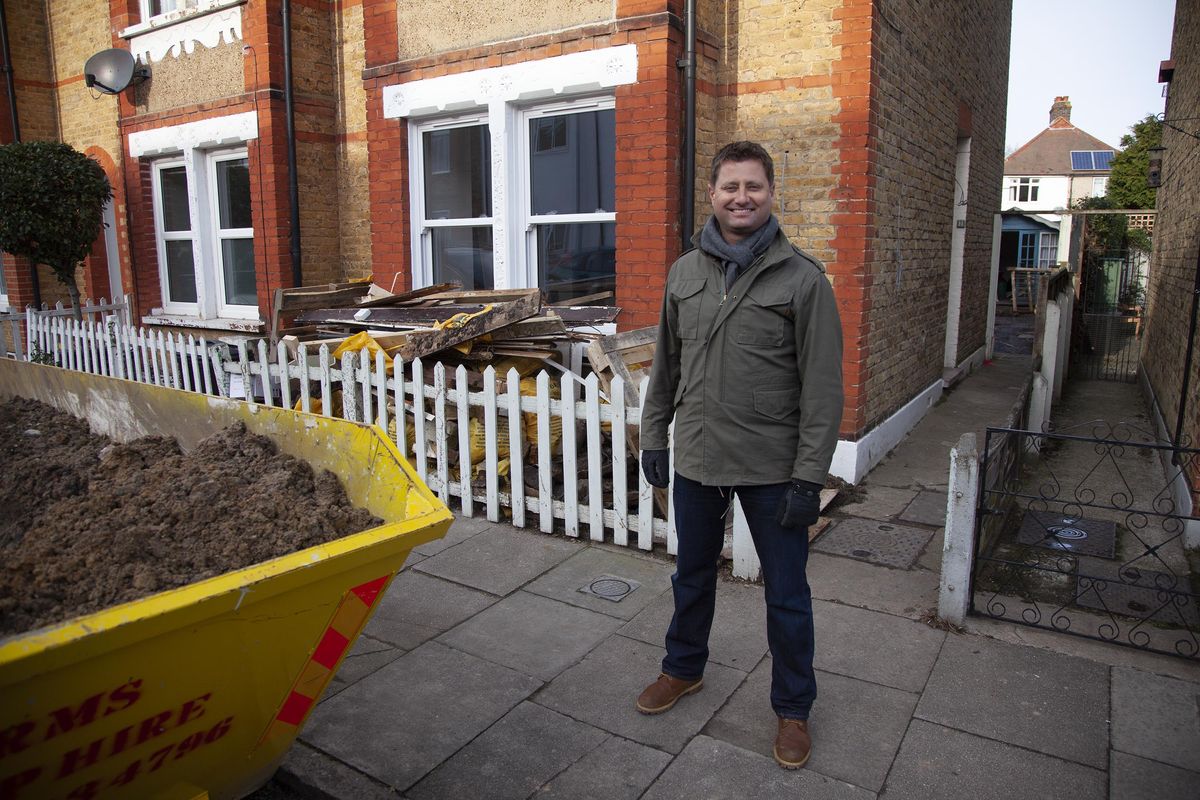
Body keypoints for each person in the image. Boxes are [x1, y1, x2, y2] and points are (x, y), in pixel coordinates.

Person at [636, 140, 843, 770]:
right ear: (714, 195)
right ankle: (683, 668)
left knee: (786, 594)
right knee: (691, 577)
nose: (741, 198)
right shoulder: (684, 274)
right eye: (731, 187)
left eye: (753, 187)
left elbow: (824, 388)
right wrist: (653, 435)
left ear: (771, 194)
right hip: (697, 456)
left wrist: (810, 476)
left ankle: (793, 709)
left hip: (772, 468)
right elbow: (665, 368)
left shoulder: (802, 279)